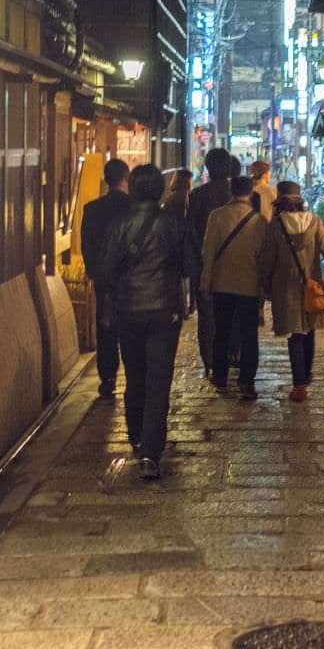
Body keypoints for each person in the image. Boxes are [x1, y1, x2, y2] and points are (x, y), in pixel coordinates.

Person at [95, 165, 193, 480]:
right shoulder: (173, 223)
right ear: (160, 189)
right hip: (165, 311)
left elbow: (105, 270)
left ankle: (137, 437)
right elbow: (190, 265)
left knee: (135, 376)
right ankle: (151, 452)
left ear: (133, 189)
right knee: (159, 381)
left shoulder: (119, 224)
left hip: (129, 310)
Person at [259, 180, 324, 403]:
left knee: (295, 335)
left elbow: (266, 261)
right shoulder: (315, 222)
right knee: (309, 331)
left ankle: (299, 385)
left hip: (286, 288)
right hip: (312, 286)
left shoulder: (276, 226)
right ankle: (306, 374)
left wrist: (263, 285)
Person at [200, 176, 268, 400]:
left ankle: (220, 377)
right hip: (249, 286)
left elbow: (208, 252)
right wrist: (264, 289)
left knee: (222, 332)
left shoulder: (217, 216)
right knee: (249, 335)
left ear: (231, 191)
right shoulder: (259, 221)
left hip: (222, 284)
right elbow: (263, 258)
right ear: (250, 192)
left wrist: (205, 282)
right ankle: (246, 380)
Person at [77, 158, 134, 401]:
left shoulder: (92, 209)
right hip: (131, 280)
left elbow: (87, 244)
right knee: (131, 327)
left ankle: (108, 377)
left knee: (106, 327)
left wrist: (95, 272)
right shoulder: (134, 207)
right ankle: (133, 375)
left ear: (106, 179)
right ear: (126, 178)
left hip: (105, 280)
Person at [186, 148, 239, 376]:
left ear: (207, 168)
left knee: (207, 316)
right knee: (233, 312)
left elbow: (190, 233)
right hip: (236, 267)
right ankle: (231, 354)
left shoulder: (197, 196)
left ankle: (210, 360)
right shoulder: (239, 194)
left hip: (204, 265)